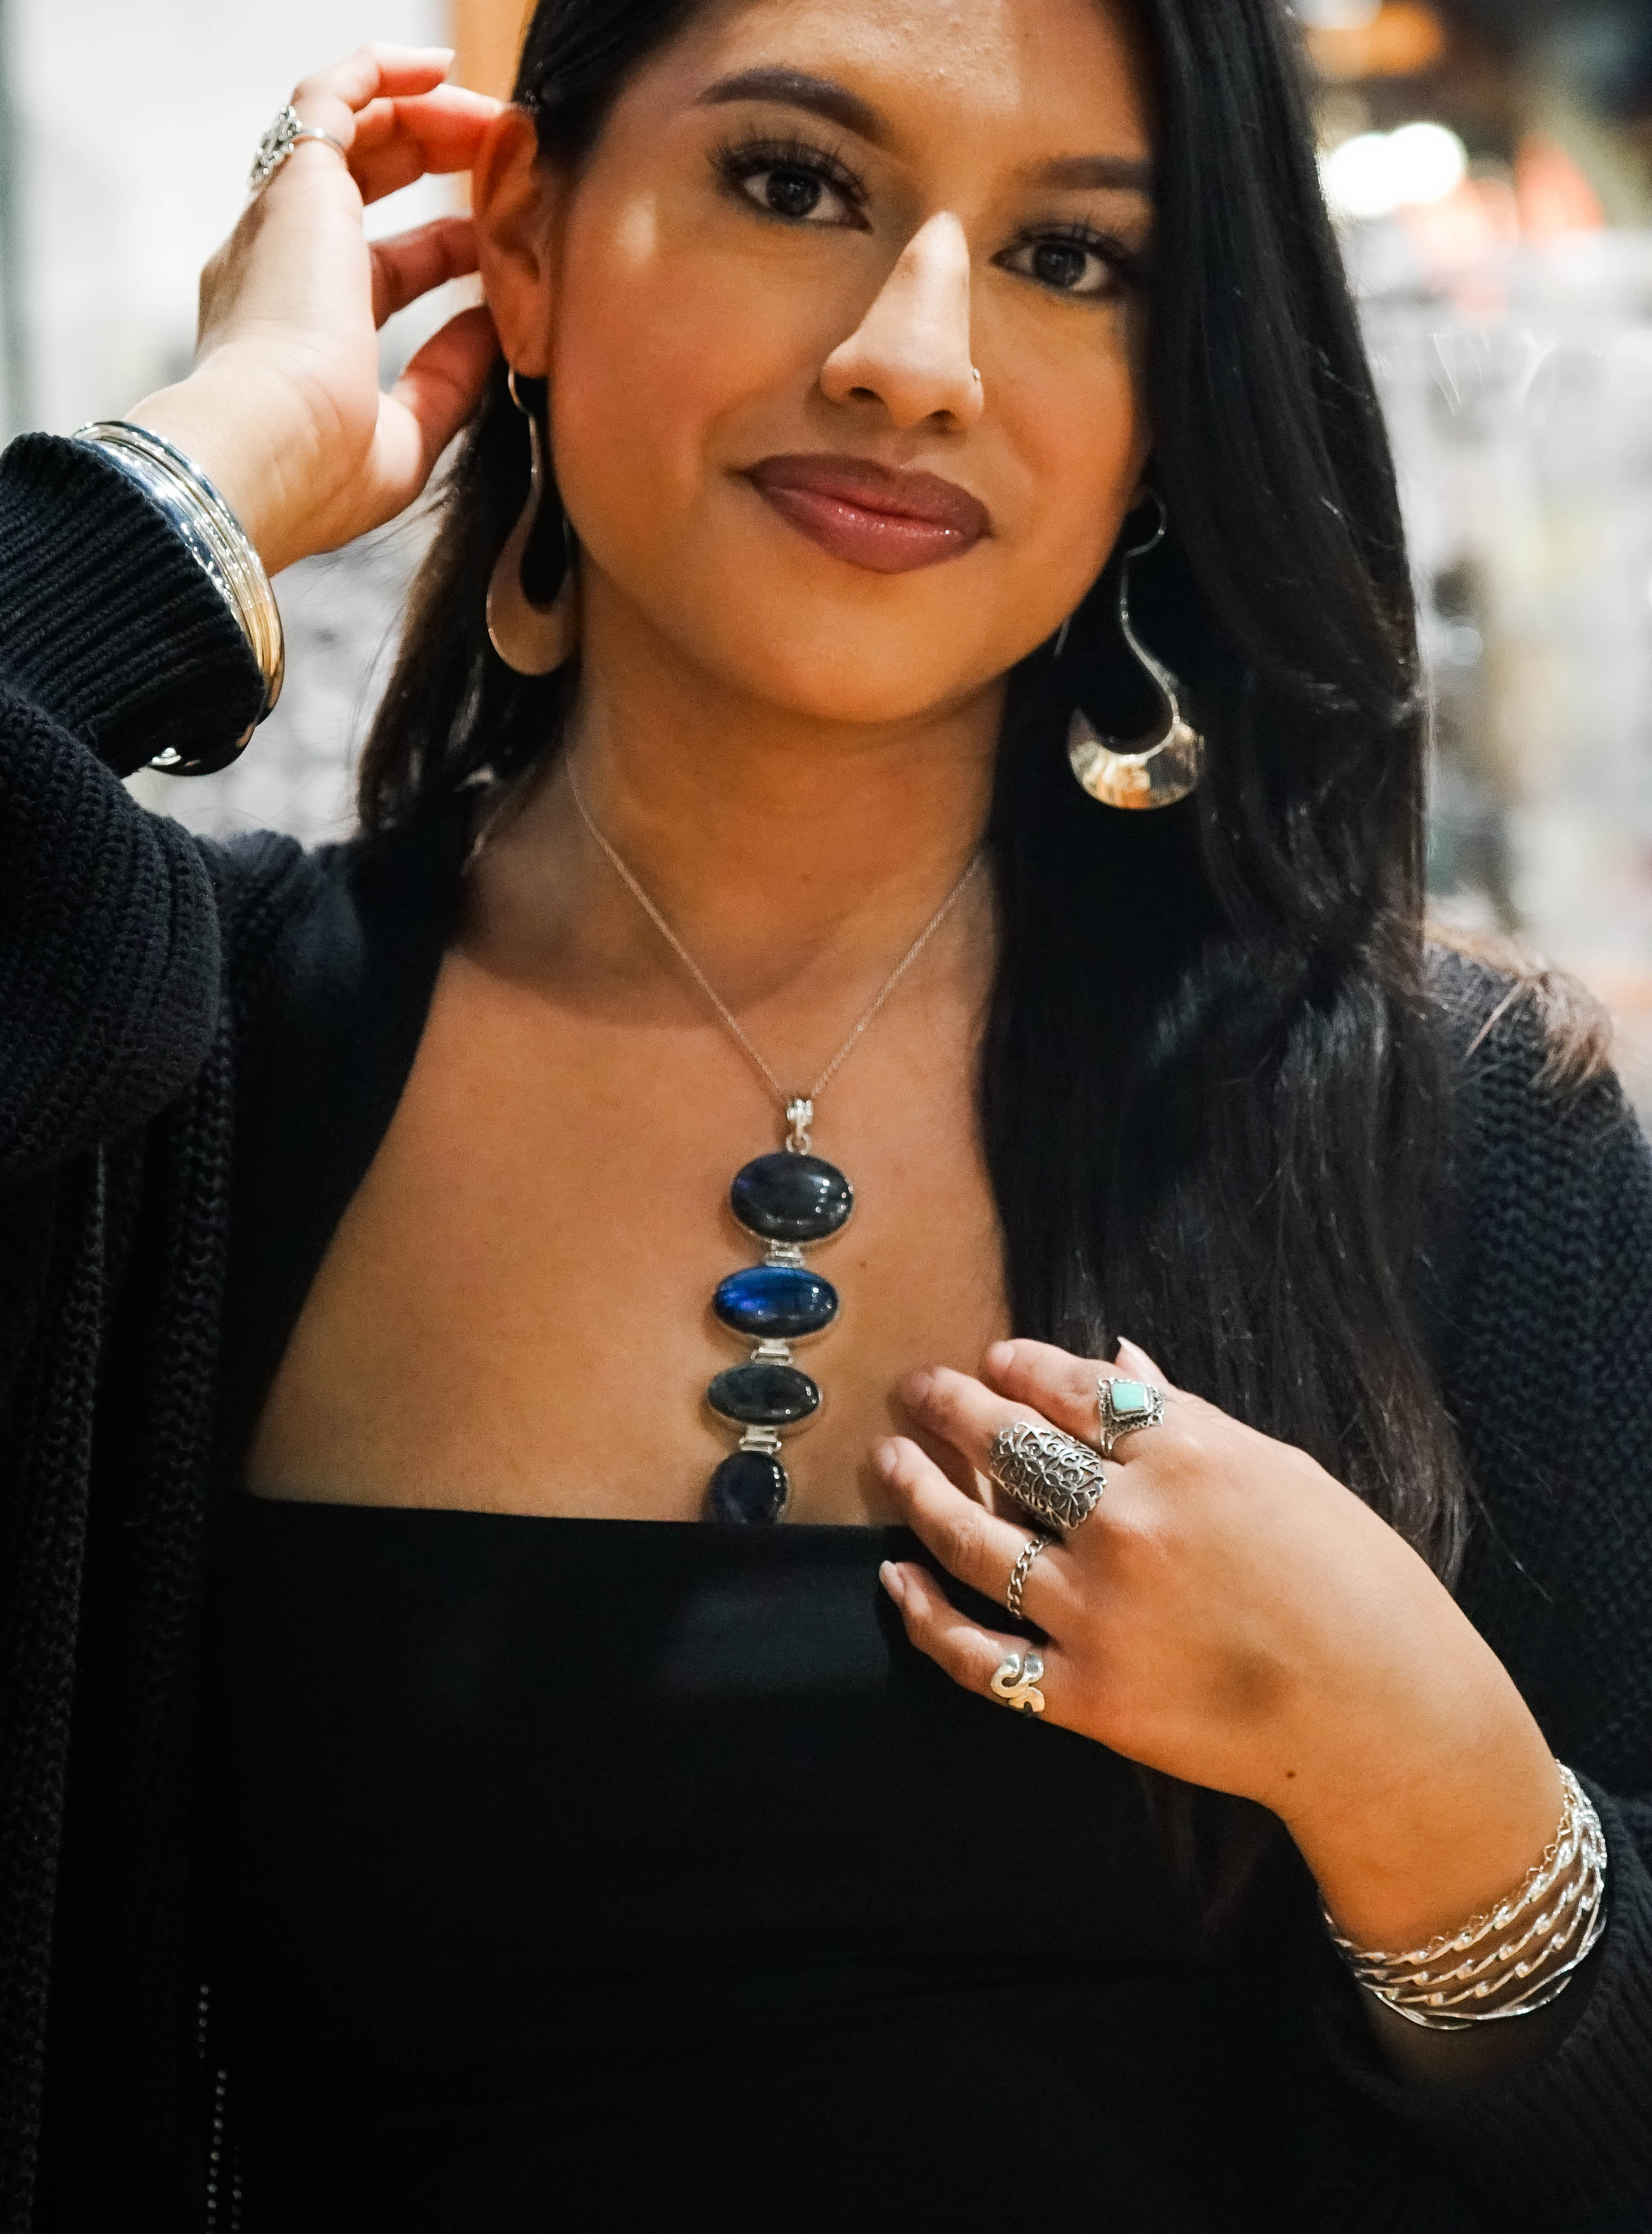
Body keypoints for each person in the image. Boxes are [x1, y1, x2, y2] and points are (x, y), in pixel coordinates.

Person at [0, 1, 1648, 2226]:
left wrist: (1445, 1800)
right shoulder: (187, 1073)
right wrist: (206, 470)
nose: (916, 355)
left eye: (1078, 261)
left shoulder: (1457, 1138)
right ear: (531, 241)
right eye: (793, 186)